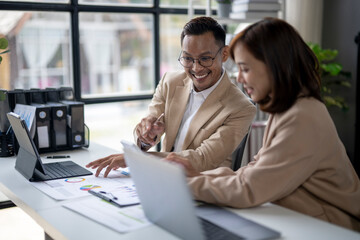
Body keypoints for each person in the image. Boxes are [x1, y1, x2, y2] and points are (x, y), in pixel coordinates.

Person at [166, 17, 360, 231]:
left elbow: (249, 188)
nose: (239, 78)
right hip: (299, 219)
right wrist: (198, 177)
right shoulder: (288, 110)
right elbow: (253, 171)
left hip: (330, 228)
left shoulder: (303, 117)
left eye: (245, 69)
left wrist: (182, 185)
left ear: (273, 67)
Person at [86, 17, 256, 177]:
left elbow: (202, 159)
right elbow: (144, 132)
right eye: (188, 58)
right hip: (163, 178)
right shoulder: (171, 82)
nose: (196, 68)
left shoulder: (241, 108)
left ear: (224, 54)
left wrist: (138, 160)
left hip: (203, 189)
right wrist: (147, 136)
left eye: (205, 58)